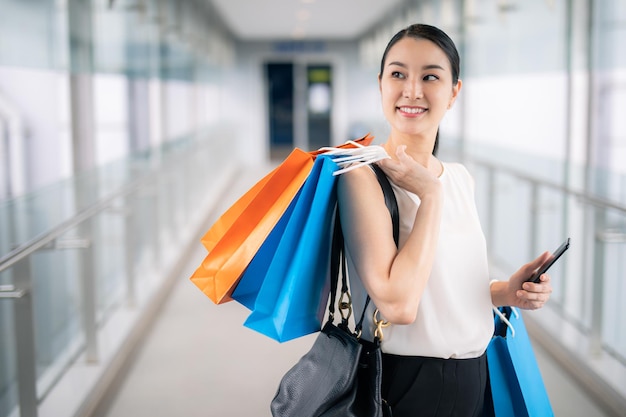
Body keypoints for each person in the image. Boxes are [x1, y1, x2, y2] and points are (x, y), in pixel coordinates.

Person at [337, 23, 553, 417]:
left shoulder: (458, 178)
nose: (412, 90)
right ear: (381, 84)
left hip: (475, 374)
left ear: (454, 92)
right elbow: (399, 303)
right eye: (398, 74)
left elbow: (445, 285)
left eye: (430, 77)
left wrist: (507, 291)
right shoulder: (361, 175)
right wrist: (430, 196)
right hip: (405, 385)